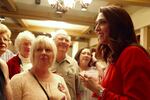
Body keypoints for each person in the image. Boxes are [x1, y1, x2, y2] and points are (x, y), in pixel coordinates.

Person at [82, 5, 150, 100]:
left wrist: (99, 90)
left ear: (117, 26)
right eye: (96, 24)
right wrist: (97, 85)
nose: (96, 29)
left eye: (102, 22)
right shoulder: (114, 56)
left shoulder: (133, 53)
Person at [10, 35, 71, 100]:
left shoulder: (60, 80)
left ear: (53, 55)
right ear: (32, 54)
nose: (43, 53)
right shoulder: (18, 80)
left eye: (48, 50)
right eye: (39, 50)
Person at [50, 29, 81, 100]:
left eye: (67, 40)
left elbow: (78, 91)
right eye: (61, 39)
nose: (64, 42)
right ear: (53, 42)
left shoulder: (74, 63)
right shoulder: (46, 61)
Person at [0, 23, 13, 100]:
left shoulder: (3, 65)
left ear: (9, 42)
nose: (2, 42)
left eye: (5, 39)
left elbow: (6, 89)